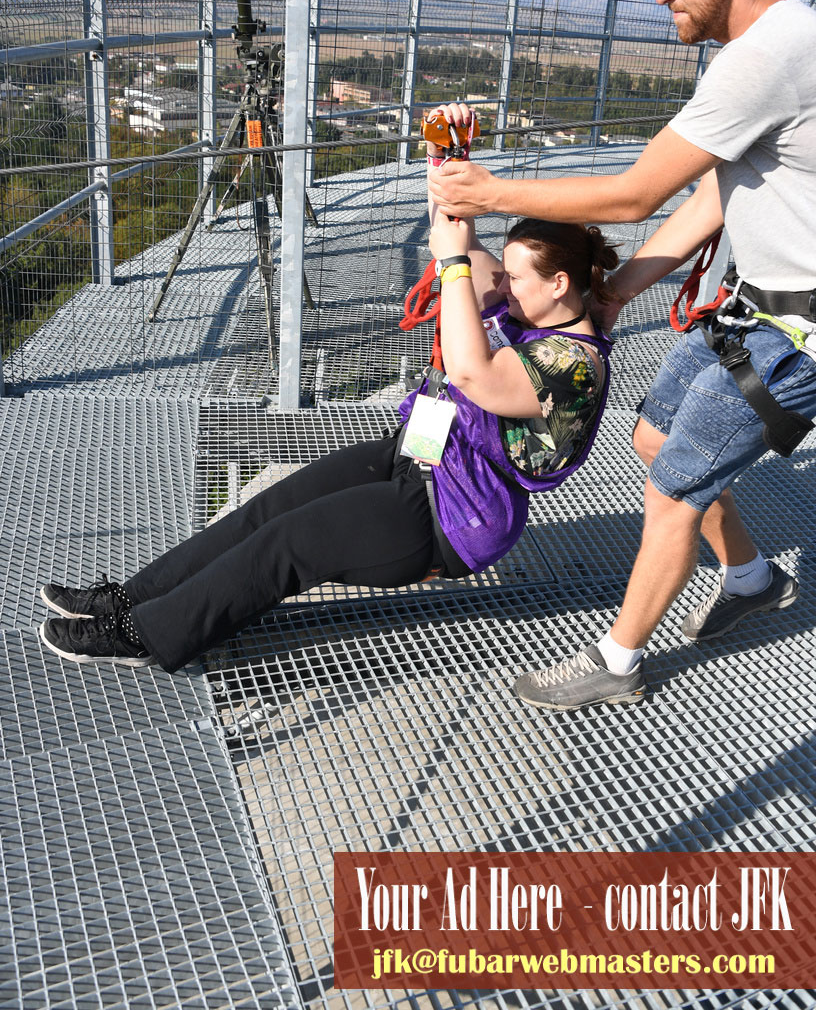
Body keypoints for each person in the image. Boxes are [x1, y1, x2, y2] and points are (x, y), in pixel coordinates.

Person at [428, 0, 816, 711]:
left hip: (798, 329)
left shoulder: (769, 55)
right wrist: (626, 288)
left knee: (673, 487)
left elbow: (637, 194)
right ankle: (748, 577)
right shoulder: (777, 44)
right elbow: (719, 194)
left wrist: (491, 193)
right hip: (757, 304)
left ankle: (618, 661)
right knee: (655, 435)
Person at [38, 151, 618, 674]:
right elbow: (458, 239)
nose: (506, 287)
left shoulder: (573, 368)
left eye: (515, 278)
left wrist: (456, 269)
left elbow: (471, 371)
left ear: (559, 284)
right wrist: (449, 160)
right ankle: (134, 598)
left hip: (452, 517)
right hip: (420, 452)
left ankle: (148, 634)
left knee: (286, 545)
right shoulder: (541, 309)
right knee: (264, 511)